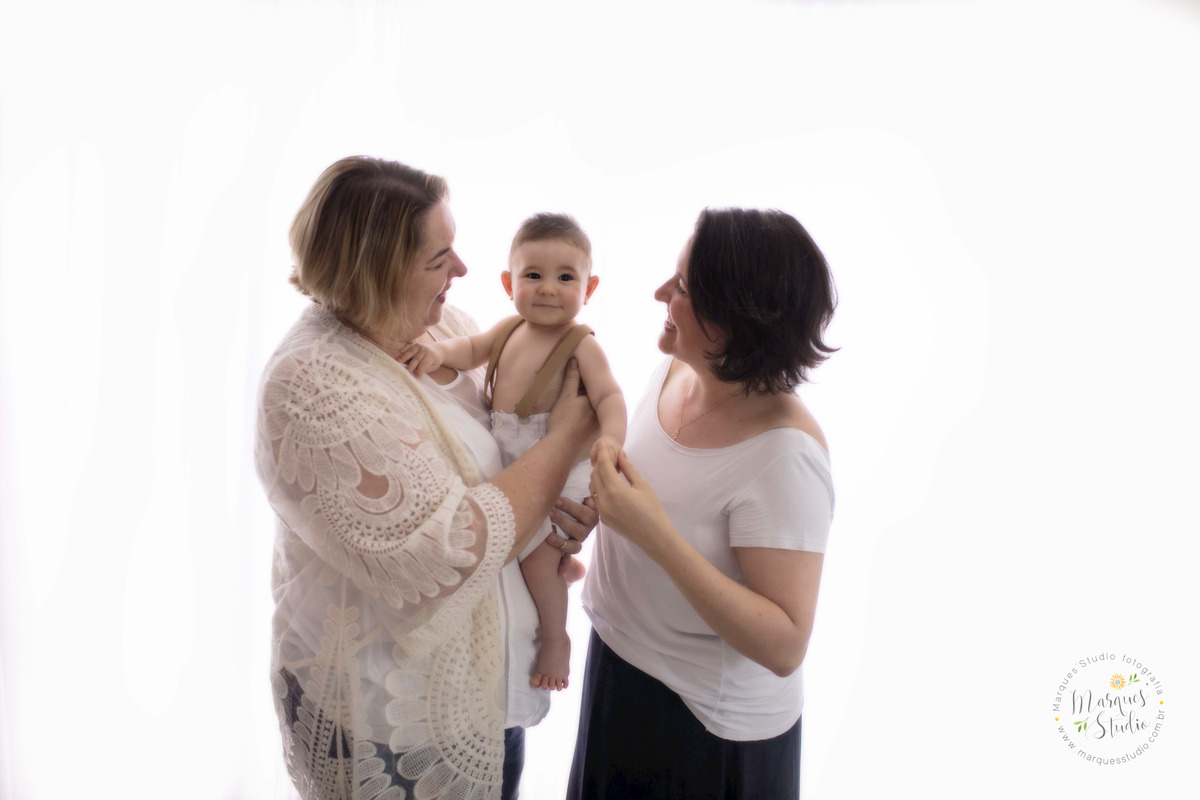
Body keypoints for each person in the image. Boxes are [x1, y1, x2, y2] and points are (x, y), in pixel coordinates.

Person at [254, 156, 599, 800]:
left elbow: (506, 465)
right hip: (389, 715)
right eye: (440, 258)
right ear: (378, 272)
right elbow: (448, 551)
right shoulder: (310, 386)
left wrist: (562, 521)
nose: (463, 272)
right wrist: (567, 440)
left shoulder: (449, 327)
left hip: (489, 686)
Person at [568, 208, 837, 800]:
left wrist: (653, 534)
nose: (660, 292)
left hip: (701, 727)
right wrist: (596, 514)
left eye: (683, 288)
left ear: (735, 320)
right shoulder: (675, 369)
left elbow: (785, 644)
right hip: (619, 667)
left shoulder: (784, 454)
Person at [400, 212, 626, 692]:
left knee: (534, 559)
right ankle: (560, 569)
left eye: (566, 278)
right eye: (533, 275)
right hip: (516, 453)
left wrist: (611, 440)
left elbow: (609, 398)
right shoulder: (506, 330)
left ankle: (555, 638)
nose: (548, 288)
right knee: (508, 523)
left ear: (590, 288)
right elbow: (469, 348)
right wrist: (438, 355)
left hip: (561, 462)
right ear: (508, 282)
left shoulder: (580, 344)